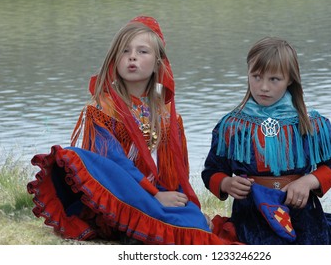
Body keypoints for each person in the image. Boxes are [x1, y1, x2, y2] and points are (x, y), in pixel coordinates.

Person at [27, 16, 223, 245]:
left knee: (194, 223)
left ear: (158, 63)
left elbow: (175, 170)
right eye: (125, 51)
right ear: (114, 60)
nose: (132, 57)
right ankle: (134, 223)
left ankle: (144, 224)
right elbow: (114, 162)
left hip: (153, 190)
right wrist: (155, 194)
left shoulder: (167, 114)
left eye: (143, 52)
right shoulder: (102, 108)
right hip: (120, 187)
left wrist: (187, 202)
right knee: (76, 155)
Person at [201, 37, 331, 245]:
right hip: (251, 217)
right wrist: (226, 182)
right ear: (248, 74)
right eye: (256, 77)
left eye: (274, 79)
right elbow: (211, 171)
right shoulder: (232, 126)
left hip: (303, 216)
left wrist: (308, 181)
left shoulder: (312, 123)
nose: (264, 87)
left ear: (290, 80)